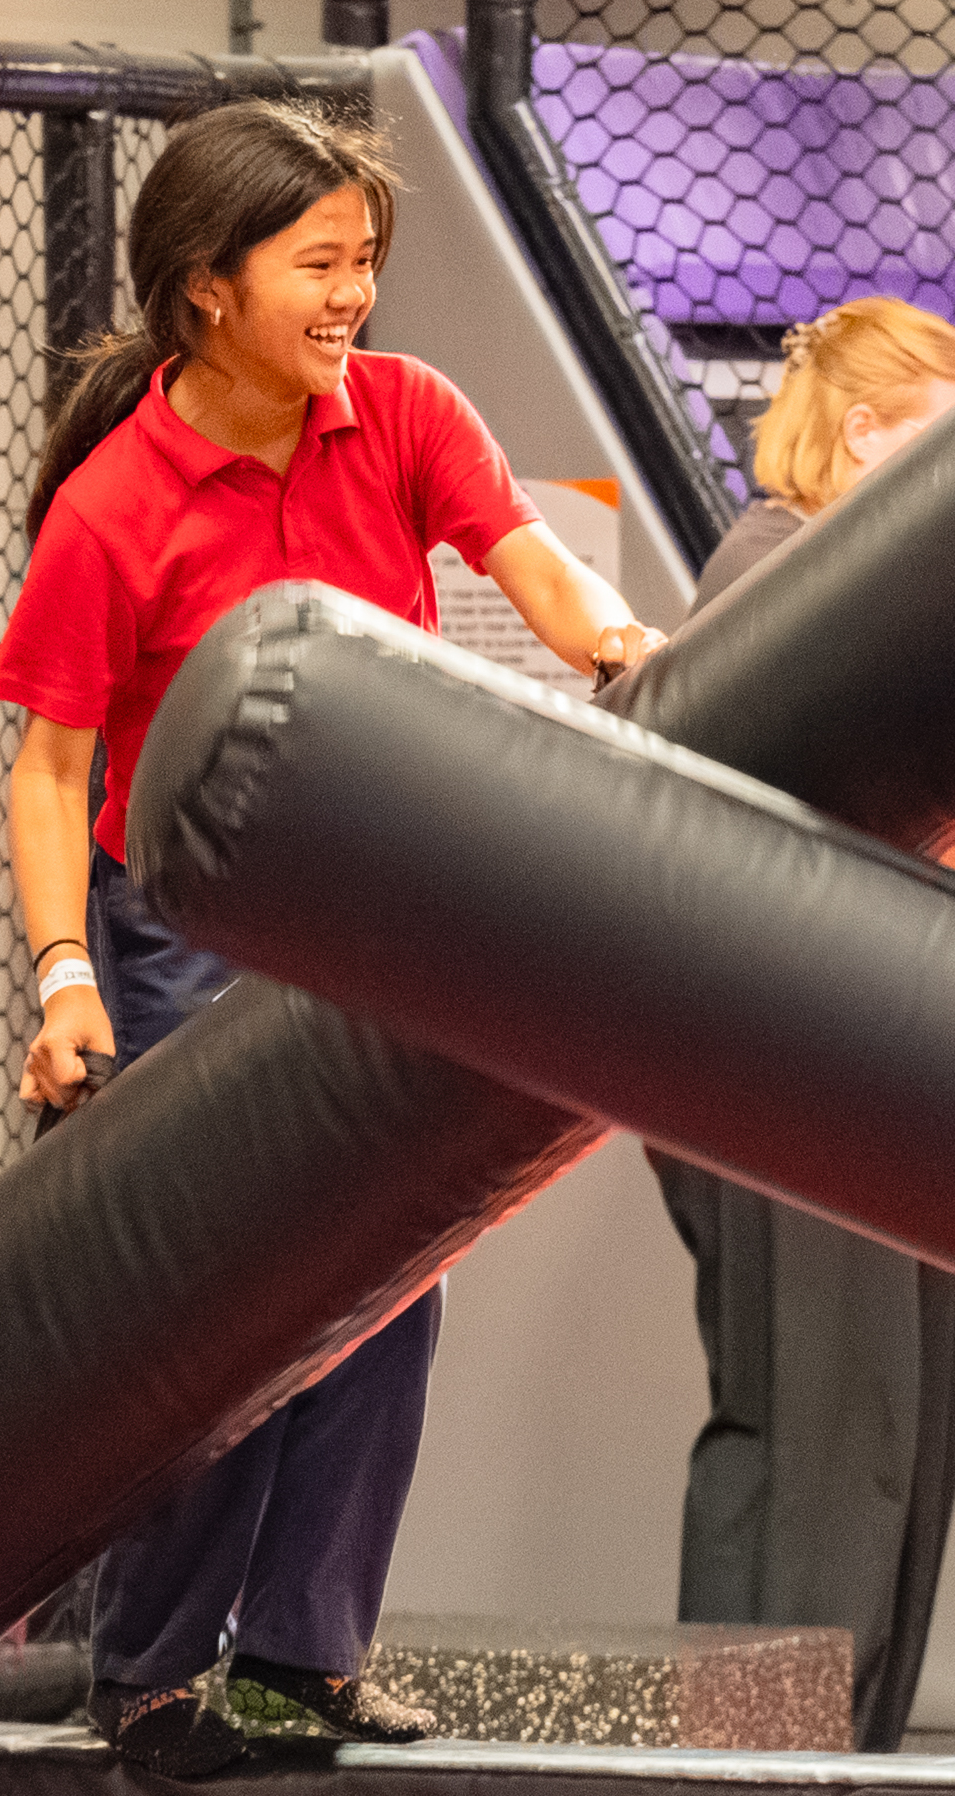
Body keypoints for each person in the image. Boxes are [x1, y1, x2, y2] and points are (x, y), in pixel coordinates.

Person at [0, 99, 665, 1778]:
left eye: (366, 260)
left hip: (380, 903)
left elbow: (532, 565)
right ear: (208, 285)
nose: (354, 293)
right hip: (188, 926)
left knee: (383, 1279)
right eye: (320, 263)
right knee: (219, 1305)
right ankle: (150, 1674)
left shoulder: (404, 415)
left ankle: (303, 1658)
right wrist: (69, 979)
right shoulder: (115, 505)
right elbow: (53, 767)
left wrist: (619, 643)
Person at [649, 295, 955, 1751]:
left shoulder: (874, 589)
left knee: (892, 1425)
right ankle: (759, 1757)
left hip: (874, 1045)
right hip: (780, 1061)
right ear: (862, 434)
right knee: (817, 1427)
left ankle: (853, 1740)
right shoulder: (774, 575)